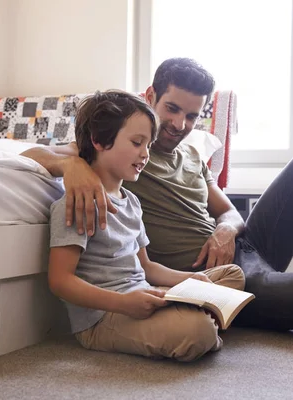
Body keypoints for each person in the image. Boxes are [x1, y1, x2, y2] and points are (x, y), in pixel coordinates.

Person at [25, 58, 293, 334]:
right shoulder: (125, 152)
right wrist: (73, 165)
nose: (179, 124)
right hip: (205, 272)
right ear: (150, 97)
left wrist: (226, 228)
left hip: (241, 249)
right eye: (172, 109)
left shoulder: (193, 156)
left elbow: (230, 210)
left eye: (192, 115)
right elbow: (29, 153)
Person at [47, 89, 245, 362]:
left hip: (142, 295)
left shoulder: (132, 203)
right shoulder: (77, 203)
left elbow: (147, 267)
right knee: (197, 331)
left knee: (232, 275)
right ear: (98, 141)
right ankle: (201, 327)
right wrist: (124, 304)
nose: (145, 154)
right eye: (137, 142)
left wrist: (188, 279)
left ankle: (196, 319)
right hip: (105, 316)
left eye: (149, 145)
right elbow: (60, 281)